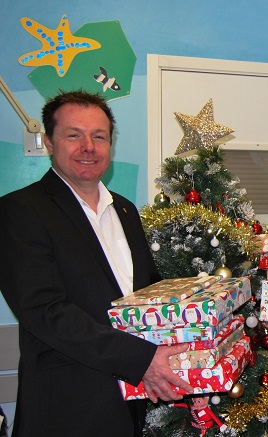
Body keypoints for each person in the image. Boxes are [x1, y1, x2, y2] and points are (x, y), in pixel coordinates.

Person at [0, 90, 194, 437]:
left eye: (99, 136)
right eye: (74, 135)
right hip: (68, 408)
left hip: (131, 403)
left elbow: (149, 294)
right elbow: (45, 311)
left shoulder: (125, 210)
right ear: (48, 142)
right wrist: (140, 359)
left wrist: (190, 359)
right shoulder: (21, 211)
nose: (88, 146)